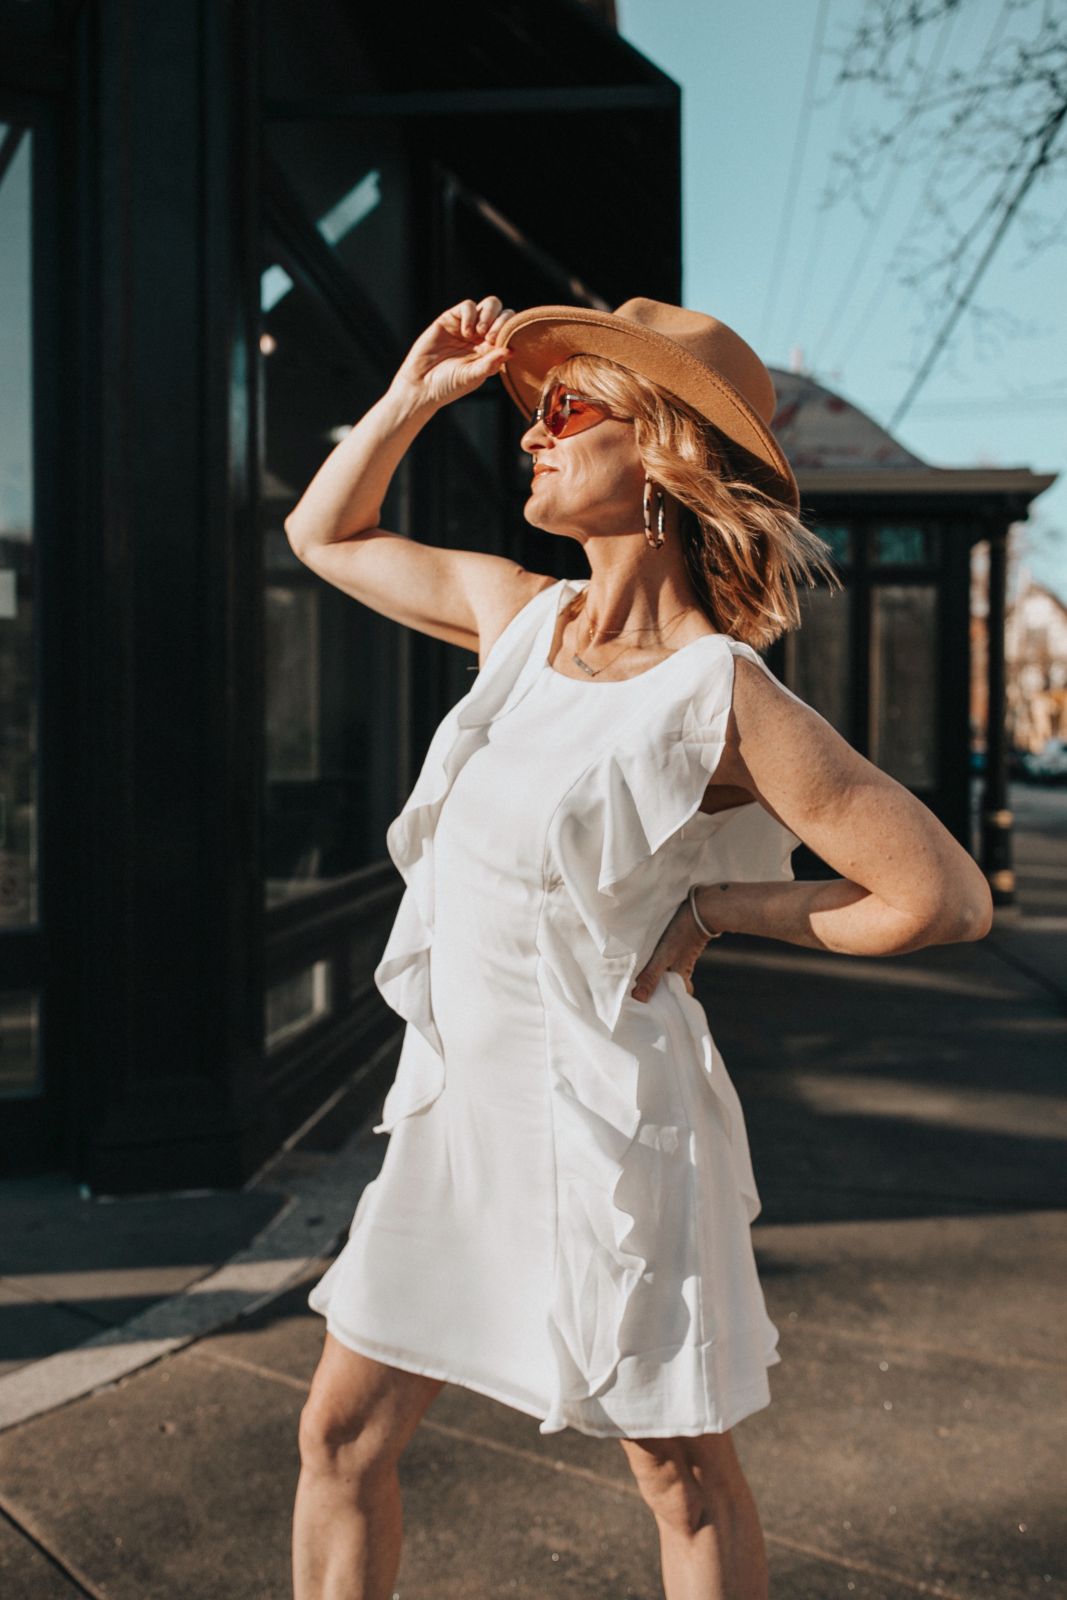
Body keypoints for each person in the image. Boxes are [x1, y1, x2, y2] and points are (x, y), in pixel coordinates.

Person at [285, 295, 994, 1600]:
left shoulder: (720, 691)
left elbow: (939, 896)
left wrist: (726, 911)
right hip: (461, 1119)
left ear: (664, 449)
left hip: (613, 1126)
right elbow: (323, 533)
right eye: (535, 410)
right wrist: (413, 396)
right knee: (337, 1436)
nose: (534, 433)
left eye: (571, 407)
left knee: (681, 1478)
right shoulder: (522, 619)